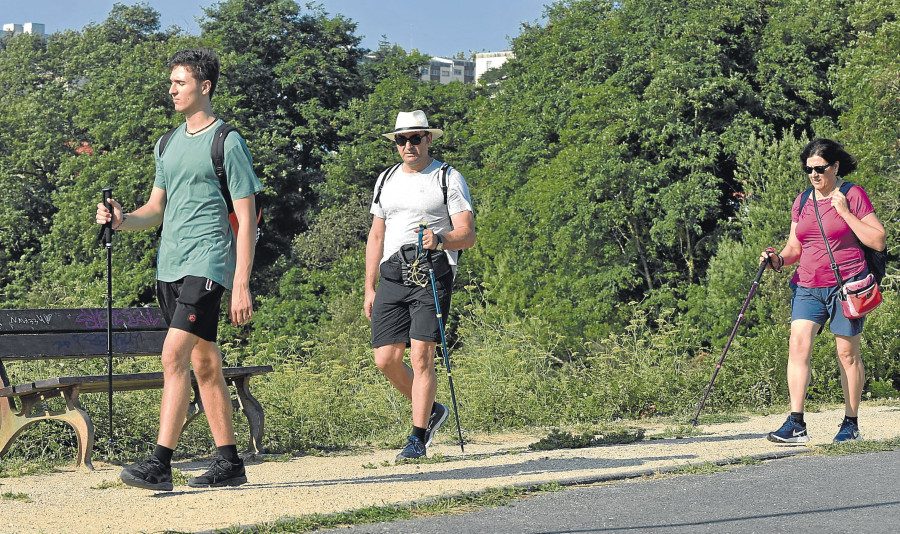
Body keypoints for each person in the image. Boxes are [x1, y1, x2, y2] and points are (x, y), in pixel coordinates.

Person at [95, 49, 263, 490]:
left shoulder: (227, 141)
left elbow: (247, 218)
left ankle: (160, 464)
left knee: (173, 356)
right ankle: (230, 462)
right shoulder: (166, 143)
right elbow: (155, 209)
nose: (171, 90)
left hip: (208, 262)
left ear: (204, 87)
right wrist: (121, 219)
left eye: (180, 83)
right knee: (205, 362)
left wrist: (241, 281)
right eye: (171, 83)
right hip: (169, 266)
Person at [365, 110, 476, 461]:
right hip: (393, 276)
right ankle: (431, 411)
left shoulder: (447, 177)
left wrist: (440, 239)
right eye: (402, 139)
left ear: (429, 139)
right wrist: (369, 287)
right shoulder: (386, 179)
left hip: (431, 274)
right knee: (385, 359)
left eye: (415, 138)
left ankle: (417, 438)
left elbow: (468, 235)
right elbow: (376, 235)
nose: (408, 145)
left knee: (421, 356)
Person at [761, 138, 885, 444]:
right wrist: (777, 259)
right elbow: (794, 247)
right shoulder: (802, 201)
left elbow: (878, 240)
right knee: (798, 344)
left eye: (820, 168)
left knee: (847, 353)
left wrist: (844, 213)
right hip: (807, 285)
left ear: (835, 166)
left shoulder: (852, 195)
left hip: (847, 286)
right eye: (809, 169)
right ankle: (796, 422)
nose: (814, 174)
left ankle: (851, 423)